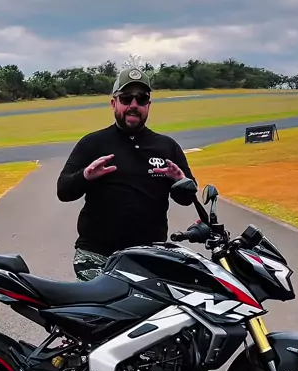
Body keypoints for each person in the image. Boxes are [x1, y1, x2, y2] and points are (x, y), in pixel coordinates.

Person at [56, 61, 198, 281]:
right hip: (97, 255)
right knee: (104, 301)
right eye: (126, 98)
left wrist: (180, 180)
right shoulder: (93, 143)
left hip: (150, 256)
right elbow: (63, 191)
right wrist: (85, 176)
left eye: (141, 99)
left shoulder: (166, 147)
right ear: (114, 103)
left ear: (148, 105)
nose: (134, 105)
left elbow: (187, 198)